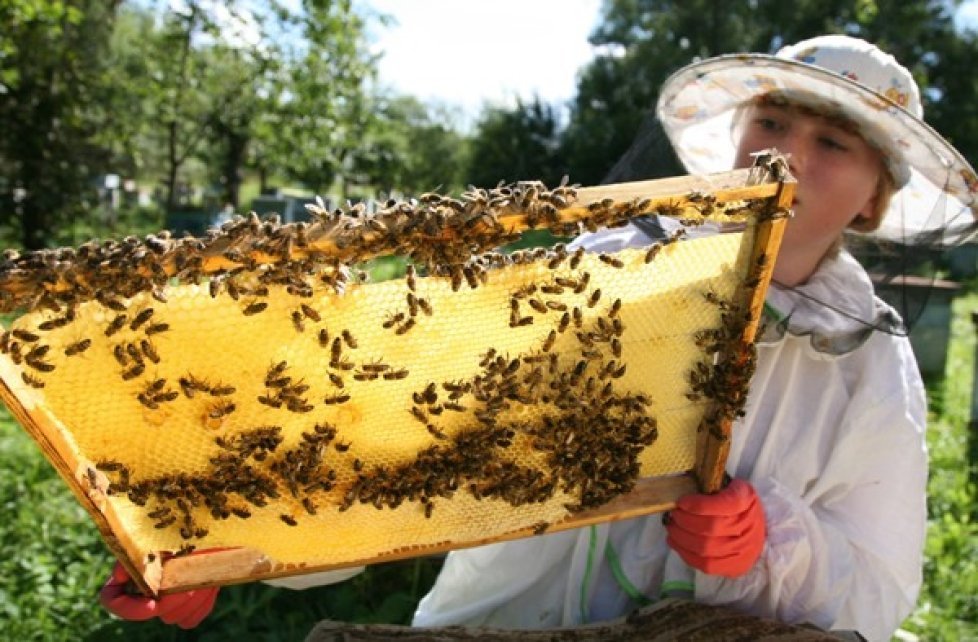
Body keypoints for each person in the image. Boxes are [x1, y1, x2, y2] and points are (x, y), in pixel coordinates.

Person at [99, 35, 978, 640]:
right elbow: (414, 442)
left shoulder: (871, 362)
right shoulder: (596, 274)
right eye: (774, 124)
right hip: (493, 630)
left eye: (833, 142)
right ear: (735, 143)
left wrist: (774, 541)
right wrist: (233, 549)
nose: (788, 157)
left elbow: (880, 587)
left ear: (872, 199)